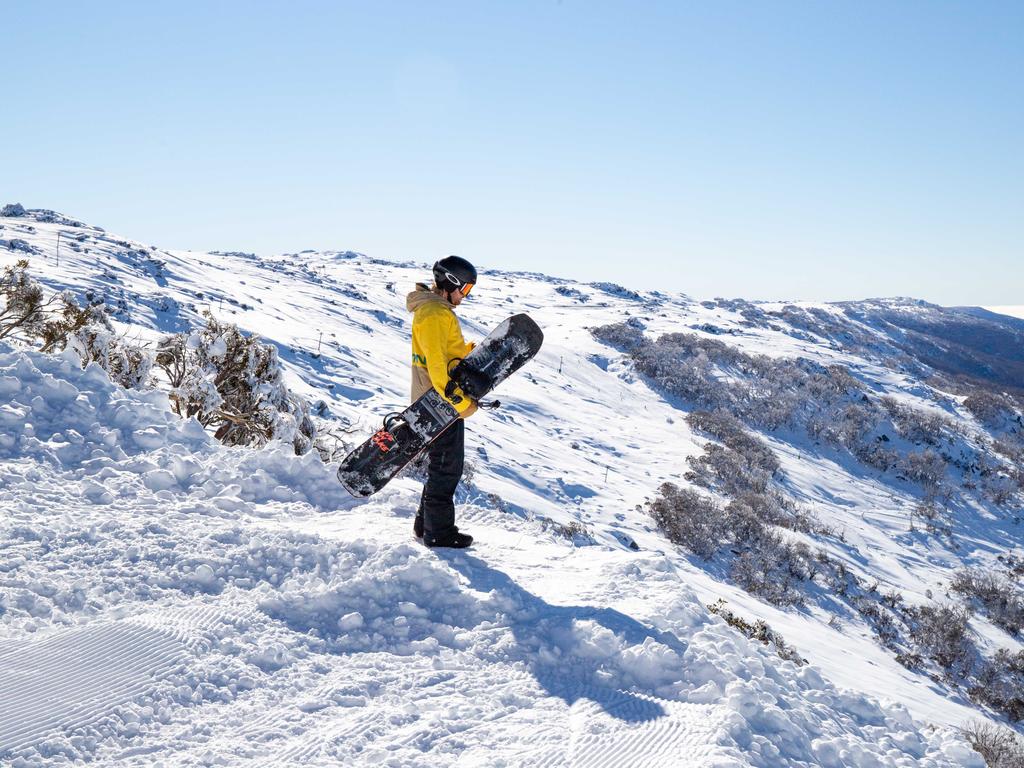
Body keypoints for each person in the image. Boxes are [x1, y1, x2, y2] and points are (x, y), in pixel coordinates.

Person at [406, 255, 478, 548]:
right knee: (447, 468)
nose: (466, 295)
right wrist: (462, 405)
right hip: (439, 402)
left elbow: (445, 355)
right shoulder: (435, 313)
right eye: (466, 289)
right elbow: (437, 368)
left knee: (442, 465)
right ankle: (439, 533)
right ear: (452, 283)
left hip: (435, 400)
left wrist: (471, 352)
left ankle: (425, 526)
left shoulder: (436, 311)